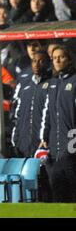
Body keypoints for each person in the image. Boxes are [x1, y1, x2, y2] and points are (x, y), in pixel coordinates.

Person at [40, 45, 76, 202]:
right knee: (57, 187)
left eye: (61, 57)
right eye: (54, 58)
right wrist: (44, 136)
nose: (57, 61)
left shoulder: (74, 82)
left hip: (71, 141)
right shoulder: (52, 84)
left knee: (71, 184)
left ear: (69, 59)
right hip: (54, 145)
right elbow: (47, 113)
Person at [11, 50, 51, 157]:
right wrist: (15, 140)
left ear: (48, 63)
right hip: (23, 145)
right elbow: (17, 115)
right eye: (34, 61)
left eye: (41, 61)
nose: (36, 64)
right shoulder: (24, 85)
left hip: (44, 145)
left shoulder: (52, 84)